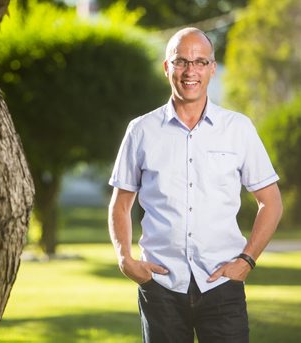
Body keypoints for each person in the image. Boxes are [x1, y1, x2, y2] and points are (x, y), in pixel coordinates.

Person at [108, 27, 283, 343]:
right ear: (167, 67)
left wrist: (246, 261)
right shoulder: (141, 131)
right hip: (160, 287)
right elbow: (121, 204)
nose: (190, 71)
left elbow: (271, 202)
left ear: (212, 69)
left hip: (222, 288)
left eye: (200, 62)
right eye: (181, 61)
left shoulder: (238, 129)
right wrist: (125, 260)